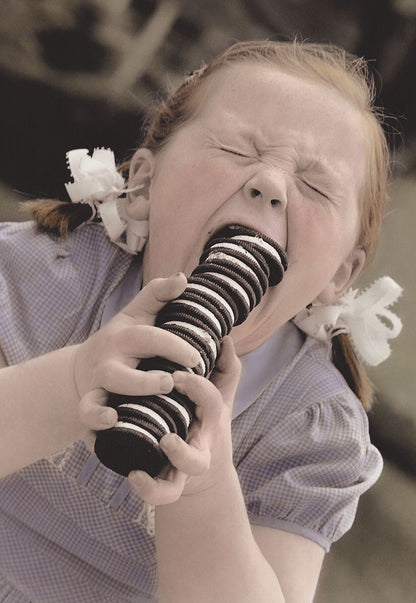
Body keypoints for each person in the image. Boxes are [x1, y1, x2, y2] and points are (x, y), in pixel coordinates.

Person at [0, 39, 403, 602]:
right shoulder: (44, 276)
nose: (269, 185)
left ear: (340, 275)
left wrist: (203, 486)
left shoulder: (311, 428)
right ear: (143, 183)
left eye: (315, 186)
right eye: (236, 150)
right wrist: (73, 382)